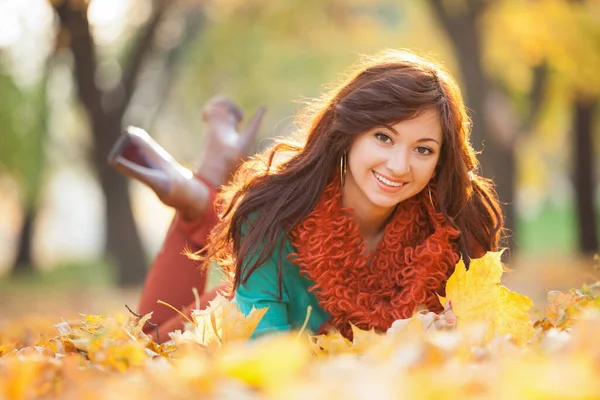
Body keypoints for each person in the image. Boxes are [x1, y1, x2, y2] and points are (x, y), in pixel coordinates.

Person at [111, 50, 503, 341]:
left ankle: (202, 199)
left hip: (272, 300)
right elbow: (267, 345)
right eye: (383, 137)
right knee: (143, 341)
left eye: (423, 149)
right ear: (350, 133)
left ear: (441, 160)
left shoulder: (449, 235)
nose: (400, 165)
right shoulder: (276, 212)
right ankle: (200, 207)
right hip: (244, 312)